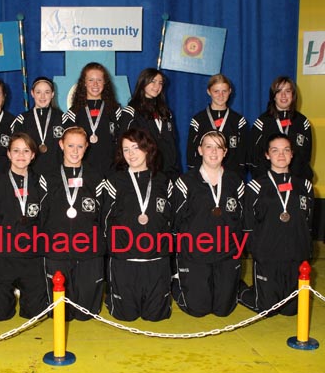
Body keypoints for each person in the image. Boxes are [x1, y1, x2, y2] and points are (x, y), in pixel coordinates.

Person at [171, 131, 245, 317]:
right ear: (200, 150)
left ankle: (232, 281)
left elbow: (241, 219)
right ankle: (174, 281)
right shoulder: (185, 182)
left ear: (225, 151)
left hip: (226, 254)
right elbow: (176, 220)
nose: (214, 152)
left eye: (219, 147)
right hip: (195, 253)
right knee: (198, 310)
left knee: (224, 310)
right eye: (208, 146)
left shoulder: (235, 181)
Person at [239, 133, 313, 316]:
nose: (281, 155)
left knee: (291, 310)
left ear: (292, 154)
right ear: (267, 155)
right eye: (275, 150)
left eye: (286, 150)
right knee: (268, 310)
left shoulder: (305, 186)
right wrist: (257, 250)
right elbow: (248, 224)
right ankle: (239, 289)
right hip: (268, 256)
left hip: (295, 256)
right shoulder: (256, 187)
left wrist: (305, 249)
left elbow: (308, 221)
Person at [103, 128, 173, 321]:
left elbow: (171, 219)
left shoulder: (162, 180)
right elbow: (105, 219)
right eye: (126, 149)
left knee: (156, 317)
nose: (131, 154)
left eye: (135, 147)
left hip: (156, 261)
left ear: (147, 149)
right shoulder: (115, 181)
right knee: (126, 317)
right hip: (125, 261)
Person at [0, 132, 48, 321]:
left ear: (33, 155)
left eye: (26, 151)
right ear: (8, 154)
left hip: (31, 255)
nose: (21, 155)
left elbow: (46, 218)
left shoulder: (41, 183)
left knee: (36, 316)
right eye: (16, 150)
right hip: (1, 255)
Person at [40, 126, 106, 321]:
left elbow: (103, 216)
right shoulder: (48, 178)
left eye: (80, 146)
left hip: (88, 252)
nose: (75, 151)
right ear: (61, 145)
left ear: (86, 147)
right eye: (70, 145)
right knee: (61, 315)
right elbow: (42, 216)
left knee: (87, 315)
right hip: (57, 250)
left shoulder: (96, 178)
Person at [62, 62, 122, 177]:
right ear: (84, 83)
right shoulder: (73, 112)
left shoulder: (116, 111)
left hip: (111, 171)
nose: (95, 84)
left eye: (99, 80)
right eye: (90, 80)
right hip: (83, 173)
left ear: (105, 82)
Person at [122, 68, 180, 182]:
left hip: (169, 172)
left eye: (160, 83)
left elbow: (172, 143)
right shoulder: (131, 111)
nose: (157, 86)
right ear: (143, 82)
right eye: (153, 81)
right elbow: (125, 144)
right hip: (146, 173)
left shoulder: (166, 112)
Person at [249, 77, 312, 181]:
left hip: (296, 181)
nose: (283, 95)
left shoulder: (302, 122)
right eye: (279, 91)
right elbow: (254, 157)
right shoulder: (262, 122)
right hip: (268, 182)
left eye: (287, 91)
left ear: (293, 95)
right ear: (273, 96)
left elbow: (306, 157)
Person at [187, 74, 248, 179]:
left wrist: (239, 174)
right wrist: (194, 173)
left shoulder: (238, 120)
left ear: (230, 91)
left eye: (224, 91)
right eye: (216, 91)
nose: (221, 95)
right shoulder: (198, 120)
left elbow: (244, 151)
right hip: (204, 176)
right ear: (208, 91)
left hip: (232, 175)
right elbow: (191, 150)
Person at [13, 77, 64, 176]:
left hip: (57, 176)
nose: (42, 96)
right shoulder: (22, 120)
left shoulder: (63, 118)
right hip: (31, 176)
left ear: (52, 94)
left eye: (47, 92)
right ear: (32, 93)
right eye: (38, 92)